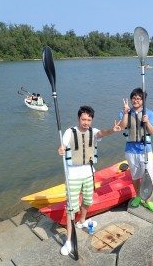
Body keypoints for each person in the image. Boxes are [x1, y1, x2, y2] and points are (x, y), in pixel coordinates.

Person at [58, 105, 121, 256]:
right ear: (78, 118)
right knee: (71, 208)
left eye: (89, 119)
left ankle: (82, 221)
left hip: (88, 173)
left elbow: (102, 133)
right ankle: (68, 240)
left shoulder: (93, 132)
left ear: (91, 120)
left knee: (87, 200)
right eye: (83, 119)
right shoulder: (69, 132)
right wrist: (61, 149)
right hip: (72, 175)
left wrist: (113, 130)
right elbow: (64, 144)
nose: (86, 122)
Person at [119, 88, 153, 212]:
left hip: (145, 150)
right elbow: (122, 127)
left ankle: (147, 200)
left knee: (148, 176)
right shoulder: (124, 112)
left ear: (143, 101)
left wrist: (147, 122)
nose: (135, 100)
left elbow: (152, 132)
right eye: (134, 98)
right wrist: (126, 113)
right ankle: (137, 196)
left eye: (139, 98)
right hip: (131, 150)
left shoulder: (149, 113)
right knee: (135, 175)